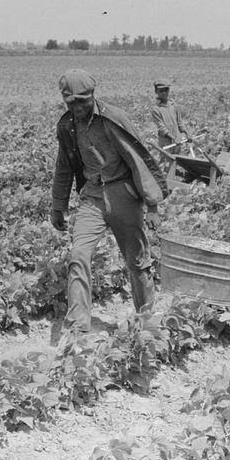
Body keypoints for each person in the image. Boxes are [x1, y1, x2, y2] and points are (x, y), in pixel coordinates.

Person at [50, 69, 170, 333]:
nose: (78, 107)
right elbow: (63, 167)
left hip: (122, 195)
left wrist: (152, 206)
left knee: (137, 261)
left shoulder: (113, 119)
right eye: (72, 102)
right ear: (64, 100)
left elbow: (138, 160)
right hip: (91, 196)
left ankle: (146, 320)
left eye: (83, 100)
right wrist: (58, 206)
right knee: (78, 254)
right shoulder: (67, 126)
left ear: (93, 94)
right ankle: (79, 327)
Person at [150, 80, 189, 151]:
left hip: (178, 139)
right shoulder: (156, 109)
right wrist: (172, 138)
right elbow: (162, 128)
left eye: (166, 90)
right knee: (166, 161)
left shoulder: (174, 105)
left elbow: (180, 122)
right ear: (156, 92)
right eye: (161, 91)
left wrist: (187, 134)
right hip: (166, 141)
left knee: (179, 160)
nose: (164, 92)